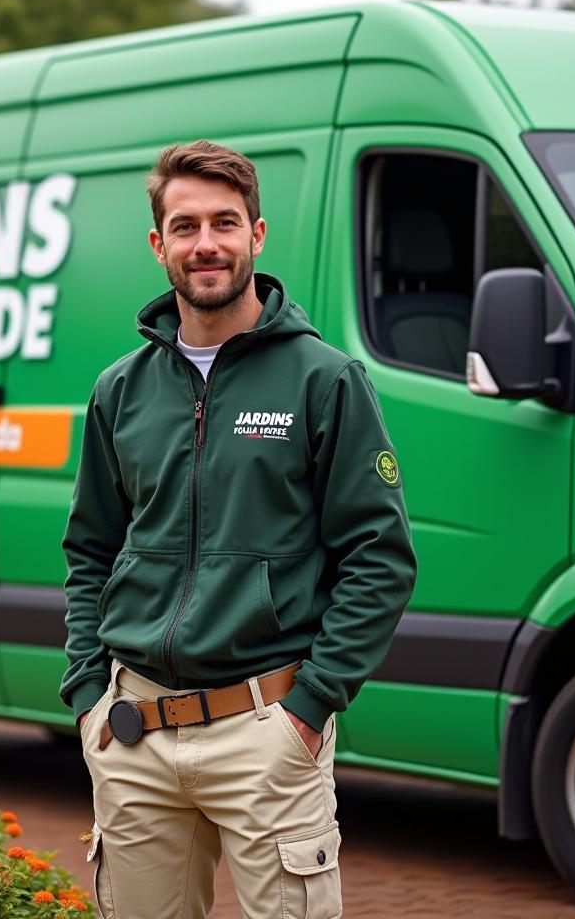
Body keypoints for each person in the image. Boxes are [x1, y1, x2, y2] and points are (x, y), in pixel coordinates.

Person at [60, 140, 417, 919]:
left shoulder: (324, 379)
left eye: (226, 223)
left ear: (258, 234)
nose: (207, 244)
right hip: (133, 732)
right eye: (185, 227)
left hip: (266, 729)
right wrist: (89, 691)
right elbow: (90, 548)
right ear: (160, 246)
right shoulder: (118, 390)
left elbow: (379, 559)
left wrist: (310, 707)